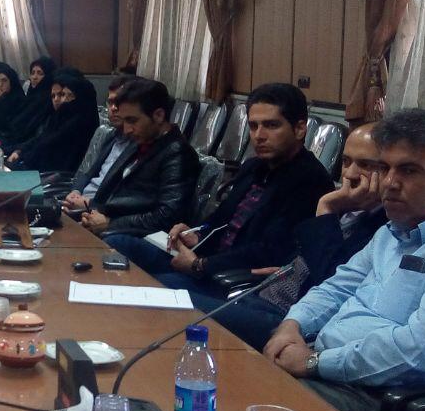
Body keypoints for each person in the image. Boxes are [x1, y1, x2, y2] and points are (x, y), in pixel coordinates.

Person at [263, 109, 425, 411]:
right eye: (385, 168)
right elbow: (336, 288)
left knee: (248, 407)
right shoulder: (392, 231)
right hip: (331, 369)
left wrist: (313, 363)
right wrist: (293, 325)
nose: (389, 183)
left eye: (409, 171)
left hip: (386, 399)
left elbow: (419, 352)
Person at [107, 83, 333, 292]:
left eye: (271, 125)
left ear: (299, 129)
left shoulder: (310, 181)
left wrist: (199, 265)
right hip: (206, 259)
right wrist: (196, 234)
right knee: (118, 244)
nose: (259, 136)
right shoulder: (254, 167)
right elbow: (220, 220)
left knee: (151, 287)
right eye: (253, 126)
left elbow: (269, 251)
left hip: (231, 279)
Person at [190, 123, 388, 349]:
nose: (349, 174)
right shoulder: (348, 207)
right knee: (171, 299)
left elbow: (331, 281)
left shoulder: (382, 226)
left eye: (365, 165)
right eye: (345, 161)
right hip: (258, 295)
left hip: (288, 321)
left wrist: (326, 209)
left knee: (179, 306)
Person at [69, 79, 200, 238]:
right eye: (124, 121)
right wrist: (93, 213)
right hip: (111, 224)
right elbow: (115, 197)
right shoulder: (140, 142)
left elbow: (167, 216)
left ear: (158, 115)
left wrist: (111, 223)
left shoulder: (177, 153)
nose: (126, 130)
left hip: (141, 238)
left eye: (132, 121)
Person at [7, 69, 99, 175]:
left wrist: (21, 160)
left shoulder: (79, 124)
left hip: (52, 178)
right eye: (63, 95)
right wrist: (20, 152)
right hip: (39, 171)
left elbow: (48, 151)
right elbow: (40, 140)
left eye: (69, 96)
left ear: (81, 98)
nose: (62, 100)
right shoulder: (60, 118)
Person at [64, 76, 137, 206]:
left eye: (119, 102)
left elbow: (124, 198)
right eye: (110, 102)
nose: (113, 108)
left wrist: (89, 204)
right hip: (80, 202)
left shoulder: (141, 145)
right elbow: (87, 171)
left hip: (98, 209)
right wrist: (76, 191)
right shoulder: (110, 135)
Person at [0, 57, 54, 147]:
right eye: (32, 73)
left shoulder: (47, 101)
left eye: (40, 73)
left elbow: (31, 133)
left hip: (26, 147)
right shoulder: (30, 98)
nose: (34, 77)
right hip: (15, 141)